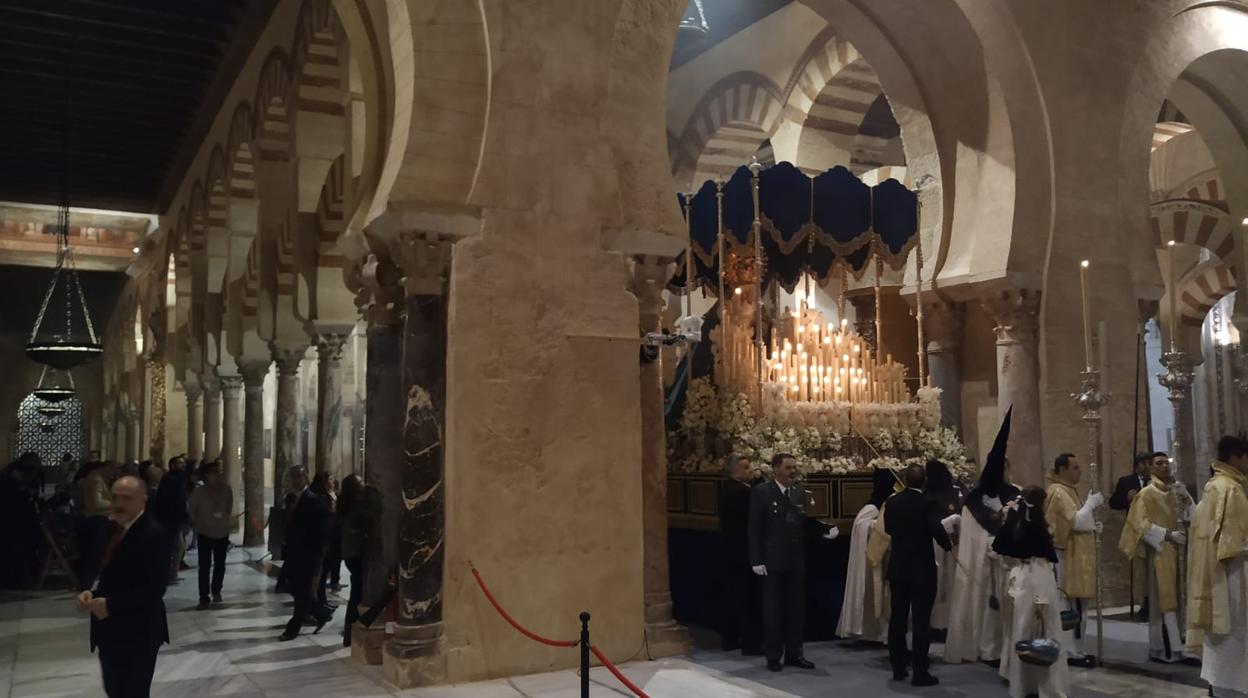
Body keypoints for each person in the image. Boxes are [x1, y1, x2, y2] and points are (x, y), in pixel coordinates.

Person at [76, 475, 172, 698]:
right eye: (115, 497)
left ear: (142, 500)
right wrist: (88, 591)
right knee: (114, 690)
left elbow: (154, 589)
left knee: (133, 692)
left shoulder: (154, 534)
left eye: (126, 498)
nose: (119, 504)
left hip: (138, 631)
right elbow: (102, 570)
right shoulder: (111, 528)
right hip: (108, 629)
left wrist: (111, 603)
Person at [748, 453, 838, 672]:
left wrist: (823, 532)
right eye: (788, 468)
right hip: (772, 562)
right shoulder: (762, 493)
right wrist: (757, 559)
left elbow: (803, 523)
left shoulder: (798, 492)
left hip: (795, 560)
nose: (792, 472)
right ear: (776, 469)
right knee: (773, 612)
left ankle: (795, 654)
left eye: (794, 467)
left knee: (796, 611)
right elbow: (754, 528)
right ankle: (773, 656)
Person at [946, 408, 1019, 665]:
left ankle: (1004, 648)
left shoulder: (1014, 494)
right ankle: (986, 648)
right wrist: (989, 547)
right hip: (983, 568)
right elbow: (972, 539)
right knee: (988, 607)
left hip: (1008, 564)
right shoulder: (973, 502)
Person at [993, 487, 1070, 698]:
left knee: (1021, 629)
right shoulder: (1036, 528)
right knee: (1047, 630)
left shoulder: (1015, 525)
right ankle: (1047, 687)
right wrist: (1040, 598)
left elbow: (1000, 550)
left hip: (1020, 577)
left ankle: (1022, 684)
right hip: (1038, 579)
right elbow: (1041, 559)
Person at [1186, 435, 1248, 697]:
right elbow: (1233, 544)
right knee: (1234, 639)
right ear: (1235, 458)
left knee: (1220, 642)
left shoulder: (1213, 486)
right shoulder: (1230, 489)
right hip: (1231, 576)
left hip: (1214, 576)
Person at [1118, 451, 1193, 663]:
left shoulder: (1176, 490)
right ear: (1150, 467)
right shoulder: (1146, 494)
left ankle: (1183, 643)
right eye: (1159, 464)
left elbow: (1193, 514)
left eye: (1166, 463)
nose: (1164, 467)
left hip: (1179, 551)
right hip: (1160, 552)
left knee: (1180, 597)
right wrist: (1169, 535)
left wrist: (1185, 498)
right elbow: (1140, 524)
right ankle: (1166, 649)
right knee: (1165, 599)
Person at [885, 464, 956, 687]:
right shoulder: (928, 502)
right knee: (921, 621)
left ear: (904, 480)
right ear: (924, 481)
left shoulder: (893, 501)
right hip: (922, 570)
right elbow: (936, 529)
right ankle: (920, 671)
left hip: (898, 568)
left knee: (897, 619)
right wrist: (948, 545)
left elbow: (888, 529)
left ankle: (897, 667)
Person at [1045, 452, 1104, 667]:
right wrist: (1090, 504)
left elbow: (1078, 523)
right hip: (1065, 556)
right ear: (1062, 470)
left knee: (1078, 604)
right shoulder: (1058, 492)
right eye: (1075, 468)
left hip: (1075, 554)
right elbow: (1075, 522)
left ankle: (1077, 649)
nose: (1080, 471)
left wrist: (1093, 526)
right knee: (1069, 603)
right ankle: (1070, 651)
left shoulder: (1068, 490)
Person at [836, 467, 895, 643]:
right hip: (870, 560)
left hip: (883, 554)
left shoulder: (889, 502)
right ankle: (869, 631)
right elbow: (861, 526)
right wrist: (876, 526)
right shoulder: (871, 507)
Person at [280, 467, 334, 641]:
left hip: (307, 554)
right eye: (292, 476)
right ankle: (321, 613)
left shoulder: (313, 499)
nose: (295, 480)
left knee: (301, 591)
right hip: (295, 552)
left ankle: (293, 627)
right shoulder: (294, 497)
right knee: (293, 587)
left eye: (298, 476)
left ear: (305, 477)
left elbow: (322, 528)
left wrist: (318, 552)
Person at [718, 454, 762, 654]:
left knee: (733, 597)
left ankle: (731, 638)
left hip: (730, 551)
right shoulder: (741, 492)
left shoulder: (727, 488)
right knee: (747, 598)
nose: (749, 471)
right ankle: (749, 642)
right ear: (733, 470)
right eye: (745, 467)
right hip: (742, 552)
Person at [338, 473, 381, 647]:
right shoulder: (355, 506)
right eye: (360, 482)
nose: (364, 483)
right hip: (356, 554)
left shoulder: (349, 503)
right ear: (353, 488)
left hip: (352, 554)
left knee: (356, 594)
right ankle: (350, 634)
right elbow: (372, 515)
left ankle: (349, 634)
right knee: (357, 595)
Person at [925, 459, 963, 639]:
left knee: (949, 583)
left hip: (950, 542)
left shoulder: (953, 492)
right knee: (940, 584)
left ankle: (949, 623)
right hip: (938, 543)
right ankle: (937, 623)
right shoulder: (928, 494)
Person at [189, 461, 233, 610]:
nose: (217, 474)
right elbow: (192, 511)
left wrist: (223, 522)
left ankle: (216, 589)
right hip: (205, 533)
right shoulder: (199, 492)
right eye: (214, 472)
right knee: (204, 566)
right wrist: (199, 524)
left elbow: (228, 508)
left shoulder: (226, 490)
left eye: (219, 471)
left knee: (220, 565)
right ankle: (203, 597)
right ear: (207, 475)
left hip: (221, 533)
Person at [77, 460, 117, 589]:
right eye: (112, 471)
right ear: (106, 468)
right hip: (96, 521)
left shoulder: (97, 479)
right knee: (95, 553)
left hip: (97, 520)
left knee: (96, 553)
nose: (113, 475)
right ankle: (86, 583)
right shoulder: (95, 480)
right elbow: (96, 503)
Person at [153, 455, 191, 581]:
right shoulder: (170, 479)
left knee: (178, 546)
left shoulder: (177, 478)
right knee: (175, 546)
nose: (182, 465)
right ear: (172, 465)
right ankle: (169, 574)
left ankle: (172, 573)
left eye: (183, 463)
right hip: (170, 518)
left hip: (175, 518)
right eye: (179, 463)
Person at [317, 473, 341, 607]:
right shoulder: (322, 497)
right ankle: (320, 601)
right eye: (331, 479)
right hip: (327, 535)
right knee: (322, 571)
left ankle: (323, 600)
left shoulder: (333, 494)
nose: (333, 481)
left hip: (334, 535)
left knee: (330, 564)